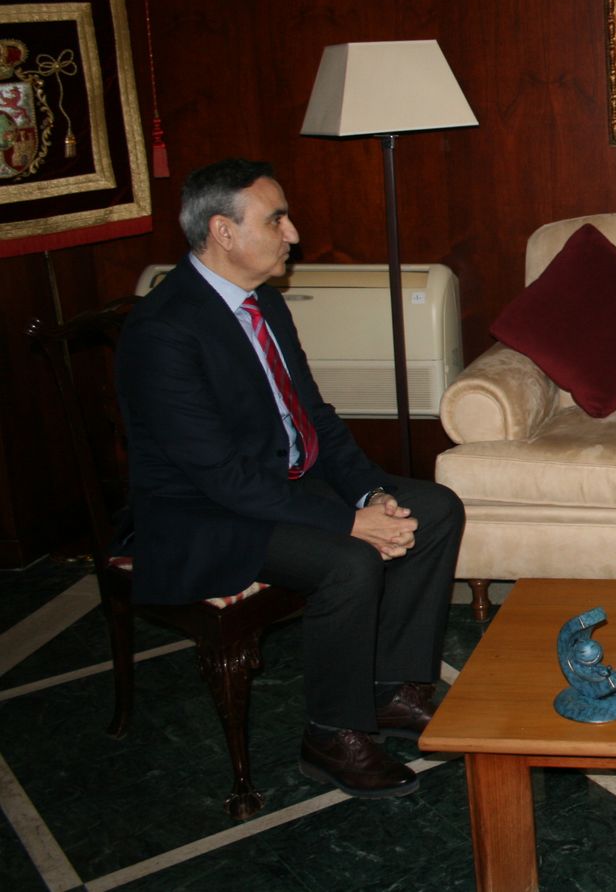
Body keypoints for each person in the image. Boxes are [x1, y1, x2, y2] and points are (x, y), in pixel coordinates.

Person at [117, 158, 464, 800]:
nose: (294, 233)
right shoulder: (162, 330)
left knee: (434, 508)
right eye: (277, 219)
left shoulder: (265, 305)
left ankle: (390, 691)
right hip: (203, 515)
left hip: (281, 487)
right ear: (223, 231)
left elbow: (316, 418)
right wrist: (348, 522)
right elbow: (218, 476)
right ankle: (332, 736)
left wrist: (370, 493)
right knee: (349, 561)